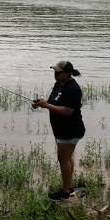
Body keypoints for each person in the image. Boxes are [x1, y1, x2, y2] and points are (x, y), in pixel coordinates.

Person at [33, 60, 85, 200]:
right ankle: (69, 188)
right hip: (61, 130)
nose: (55, 74)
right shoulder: (58, 84)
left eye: (58, 72)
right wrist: (41, 103)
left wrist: (47, 106)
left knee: (63, 159)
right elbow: (53, 101)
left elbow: (68, 111)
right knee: (67, 158)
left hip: (70, 130)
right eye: (54, 72)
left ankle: (66, 192)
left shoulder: (73, 89)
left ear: (67, 73)